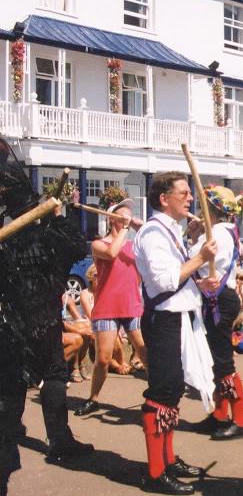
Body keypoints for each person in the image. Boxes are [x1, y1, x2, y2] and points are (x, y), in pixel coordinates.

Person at [0, 137, 93, 495]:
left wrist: (54, 216)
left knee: (42, 377)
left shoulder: (37, 226)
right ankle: (54, 442)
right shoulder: (34, 227)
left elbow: (70, 249)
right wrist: (57, 217)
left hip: (27, 318)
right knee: (37, 378)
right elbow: (73, 245)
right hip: (22, 320)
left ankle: (54, 439)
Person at [134, 171, 216, 494]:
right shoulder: (153, 233)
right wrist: (200, 258)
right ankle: (156, 473)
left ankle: (167, 459)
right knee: (161, 393)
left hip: (178, 319)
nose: (190, 198)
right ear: (163, 199)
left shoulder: (170, 231)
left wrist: (199, 281)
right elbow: (164, 281)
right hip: (163, 322)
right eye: (183, 192)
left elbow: (178, 278)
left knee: (172, 392)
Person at [74, 198, 147, 416]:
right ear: (112, 219)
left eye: (127, 215)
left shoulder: (134, 245)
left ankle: (157, 395)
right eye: (121, 215)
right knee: (103, 358)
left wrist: (139, 226)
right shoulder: (99, 244)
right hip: (107, 306)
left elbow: (151, 242)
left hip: (131, 305)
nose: (126, 218)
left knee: (144, 350)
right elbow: (112, 253)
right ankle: (93, 398)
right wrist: (125, 226)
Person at [190, 185, 243, 440]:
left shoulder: (216, 234)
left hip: (218, 300)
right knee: (217, 360)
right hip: (220, 298)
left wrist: (192, 239)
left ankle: (240, 420)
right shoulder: (228, 230)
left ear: (210, 210)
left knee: (224, 360)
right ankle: (219, 414)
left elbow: (191, 259)